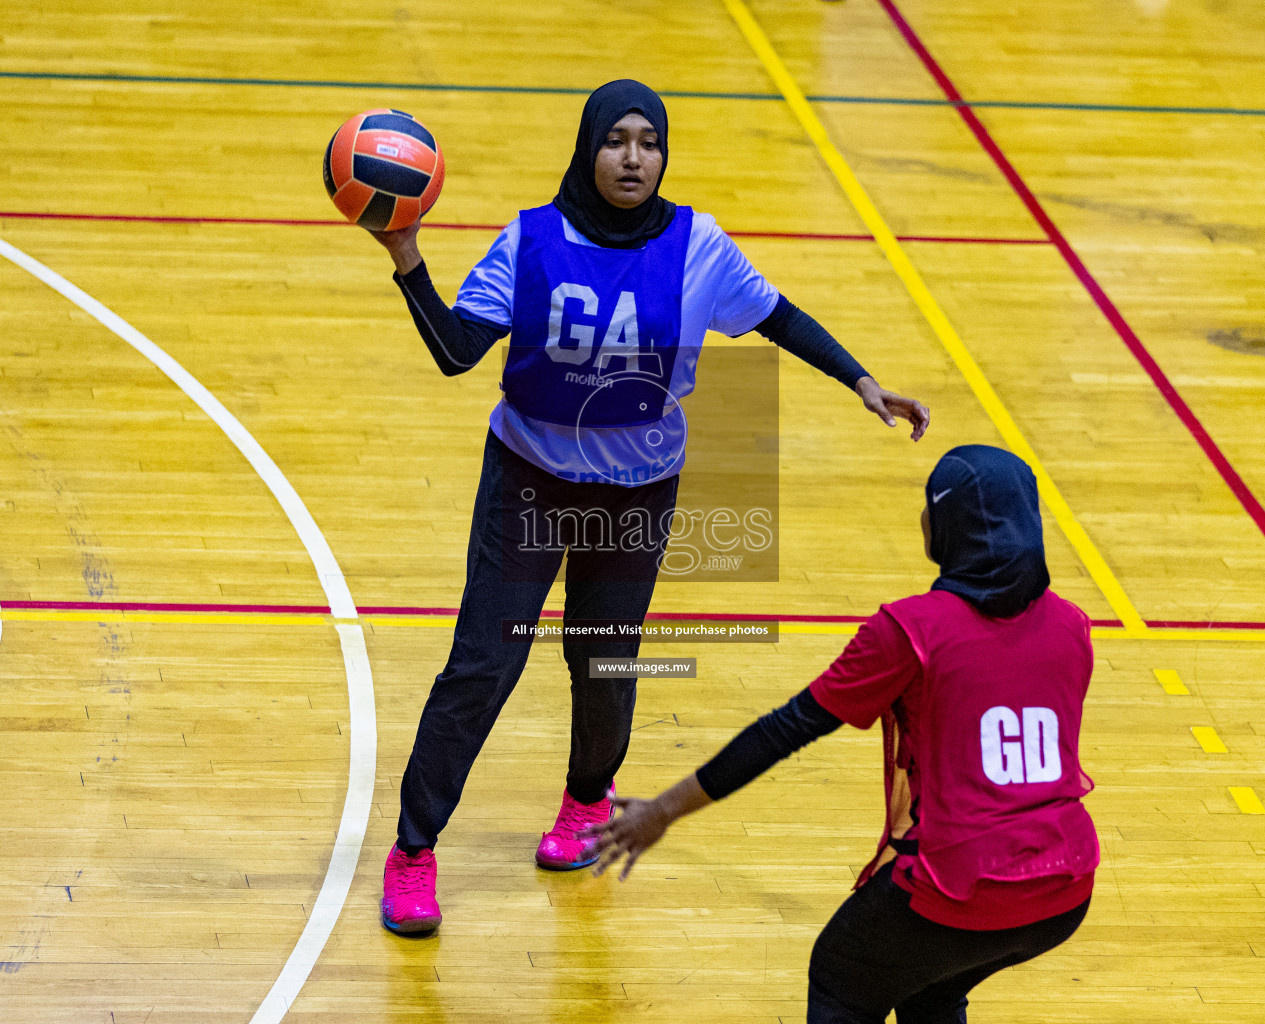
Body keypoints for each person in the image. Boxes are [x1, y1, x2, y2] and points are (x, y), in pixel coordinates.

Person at [371, 79, 931, 935]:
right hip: (529, 480)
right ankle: (413, 850)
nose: (633, 157)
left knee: (604, 663)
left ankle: (585, 805)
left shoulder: (699, 245)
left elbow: (777, 317)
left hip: (636, 495)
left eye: (649, 142)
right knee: (483, 667)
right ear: (587, 148)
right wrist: (407, 254)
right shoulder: (530, 238)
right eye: (616, 141)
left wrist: (861, 381)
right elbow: (455, 354)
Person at [584, 445, 1098, 1023]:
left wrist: (663, 810)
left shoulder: (910, 631)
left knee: (841, 977)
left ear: (946, 528)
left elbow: (788, 729)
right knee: (931, 988)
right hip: (1066, 885)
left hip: (959, 885)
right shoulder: (1073, 625)